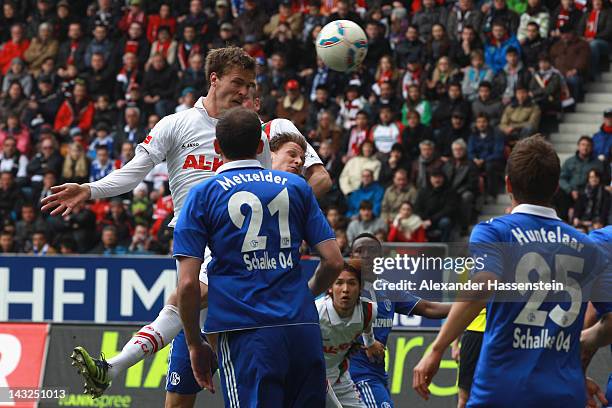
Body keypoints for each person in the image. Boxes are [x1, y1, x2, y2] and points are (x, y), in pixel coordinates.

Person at [45, 47, 330, 403]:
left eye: (251, 86)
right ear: (214, 80)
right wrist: (89, 189)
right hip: (197, 243)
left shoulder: (258, 131)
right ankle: (119, 365)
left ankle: (115, 366)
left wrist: (284, 221)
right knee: (181, 377)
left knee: (188, 297)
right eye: (237, 83)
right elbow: (132, 176)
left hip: (240, 249)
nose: (245, 93)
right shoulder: (176, 125)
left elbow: (298, 185)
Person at [412, 136, 611, 406]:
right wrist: (575, 362)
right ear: (555, 187)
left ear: (508, 184)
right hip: (564, 392)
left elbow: (482, 286)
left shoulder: (495, 231)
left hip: (501, 389)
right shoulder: (587, 247)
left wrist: (436, 349)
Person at [173, 107, 343, 406]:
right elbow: (334, 262)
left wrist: (192, 343)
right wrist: (306, 294)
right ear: (261, 147)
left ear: (216, 148)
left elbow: (187, 287)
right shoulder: (297, 187)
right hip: (302, 328)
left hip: (245, 331)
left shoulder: (202, 195)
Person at [348, 234, 451, 406]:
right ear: (351, 257)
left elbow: (428, 308)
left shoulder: (387, 289)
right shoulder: (344, 290)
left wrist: (472, 305)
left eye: (371, 251)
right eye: (359, 251)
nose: (365, 255)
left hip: (377, 373)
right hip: (356, 376)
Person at [317, 260, 383, 408]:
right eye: (339, 283)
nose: (345, 289)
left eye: (352, 283)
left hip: (340, 378)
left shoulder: (369, 311)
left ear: (360, 288)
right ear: (330, 288)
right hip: (313, 377)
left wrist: (370, 343)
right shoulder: (315, 312)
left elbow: (367, 328)